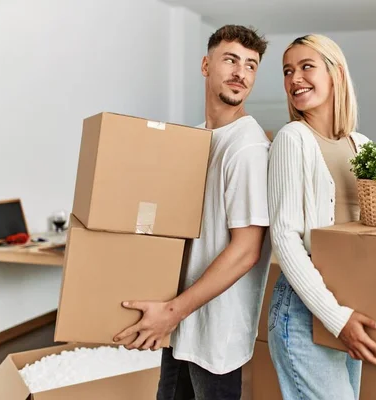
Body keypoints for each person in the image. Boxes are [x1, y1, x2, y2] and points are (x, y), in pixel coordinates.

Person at [113, 25, 271, 400]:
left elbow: (246, 251)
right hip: (180, 319)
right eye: (231, 60)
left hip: (214, 330)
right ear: (205, 64)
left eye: (251, 65)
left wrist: (173, 310)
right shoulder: (195, 138)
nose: (241, 73)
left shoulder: (248, 147)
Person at [267, 34, 376, 399]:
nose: (294, 79)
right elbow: (285, 239)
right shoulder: (292, 139)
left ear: (336, 73)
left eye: (307, 67)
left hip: (348, 301)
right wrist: (336, 319)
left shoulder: (362, 144)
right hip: (306, 308)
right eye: (288, 71)